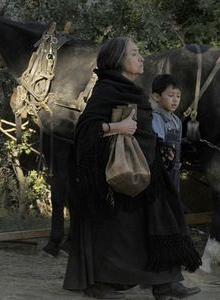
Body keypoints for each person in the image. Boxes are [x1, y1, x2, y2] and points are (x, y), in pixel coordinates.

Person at [63, 37, 201, 299]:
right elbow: (85, 131)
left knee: (163, 217)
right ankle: (101, 284)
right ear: (118, 61)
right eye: (135, 54)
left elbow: (143, 129)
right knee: (122, 232)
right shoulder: (106, 90)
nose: (141, 58)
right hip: (118, 176)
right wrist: (116, 128)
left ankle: (166, 283)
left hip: (147, 169)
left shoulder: (129, 88)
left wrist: (160, 147)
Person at [151, 74, 182, 191]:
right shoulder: (156, 118)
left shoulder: (177, 120)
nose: (175, 100)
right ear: (157, 97)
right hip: (161, 172)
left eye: (178, 96)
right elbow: (158, 146)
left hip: (175, 170)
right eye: (171, 95)